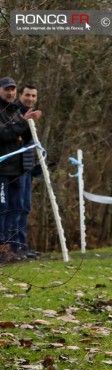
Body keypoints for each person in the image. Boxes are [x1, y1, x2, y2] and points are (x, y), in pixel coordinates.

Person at [0, 76, 41, 263]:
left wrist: (28, 123)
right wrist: (24, 122)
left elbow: (24, 140)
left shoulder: (15, 111)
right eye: (6, 89)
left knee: (17, 208)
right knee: (3, 209)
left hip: (17, 170)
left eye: (12, 89)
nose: (10, 93)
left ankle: (13, 247)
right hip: (3, 169)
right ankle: (4, 247)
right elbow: (5, 134)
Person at [13, 84, 42, 258]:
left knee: (25, 207)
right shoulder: (15, 113)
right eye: (27, 95)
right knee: (16, 208)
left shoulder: (33, 115)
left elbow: (31, 143)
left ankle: (23, 245)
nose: (30, 99)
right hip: (15, 169)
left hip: (28, 167)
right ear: (20, 96)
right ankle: (14, 246)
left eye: (33, 96)